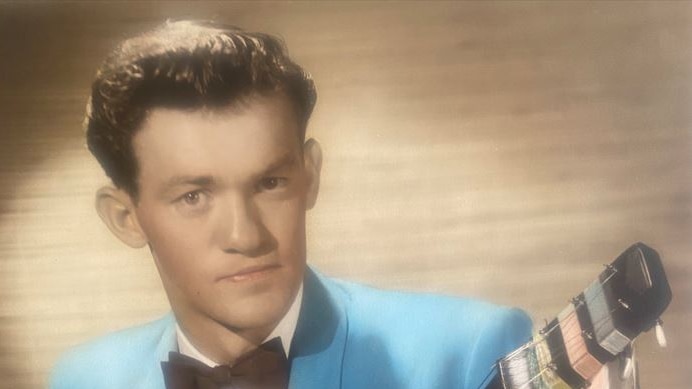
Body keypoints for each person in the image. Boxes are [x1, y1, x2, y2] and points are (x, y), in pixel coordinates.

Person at [49, 20, 532, 389]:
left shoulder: (469, 354)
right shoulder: (82, 378)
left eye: (270, 182)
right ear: (125, 218)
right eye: (193, 196)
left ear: (311, 176)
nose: (246, 236)